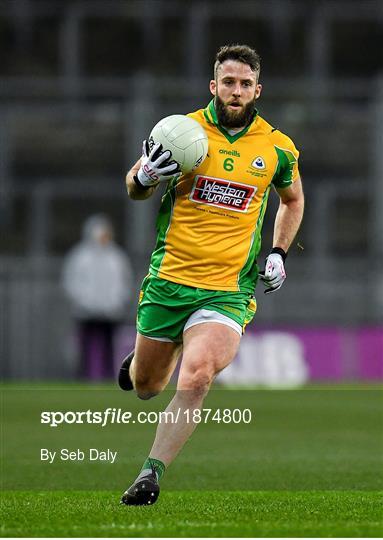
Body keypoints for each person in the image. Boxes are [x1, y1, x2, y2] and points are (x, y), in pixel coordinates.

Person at [118, 44, 304, 505]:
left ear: (257, 89)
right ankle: (139, 365)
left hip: (227, 291)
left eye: (245, 84)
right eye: (228, 82)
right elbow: (134, 185)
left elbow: (293, 199)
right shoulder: (180, 132)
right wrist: (142, 181)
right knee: (147, 388)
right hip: (170, 279)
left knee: (197, 376)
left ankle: (150, 473)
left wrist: (279, 250)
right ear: (213, 86)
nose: (235, 91)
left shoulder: (277, 148)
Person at [62, 214, 134, 380]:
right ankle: (84, 376)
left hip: (111, 312)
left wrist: (117, 301)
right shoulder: (79, 257)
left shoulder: (117, 257)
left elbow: (124, 282)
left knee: (109, 346)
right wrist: (83, 301)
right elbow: (71, 282)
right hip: (86, 312)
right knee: (85, 345)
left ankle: (108, 376)